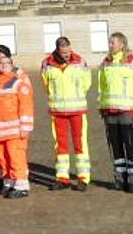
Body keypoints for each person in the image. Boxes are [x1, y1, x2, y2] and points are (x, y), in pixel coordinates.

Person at [41, 36, 92, 191]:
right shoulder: (47, 64)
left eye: (69, 51)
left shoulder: (80, 62)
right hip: (57, 111)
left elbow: (86, 83)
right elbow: (46, 85)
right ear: (57, 50)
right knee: (60, 145)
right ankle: (62, 177)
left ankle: (83, 178)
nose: (67, 55)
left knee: (80, 144)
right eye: (64, 53)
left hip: (77, 110)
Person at [98, 32, 133, 193]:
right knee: (116, 147)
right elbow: (101, 87)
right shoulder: (105, 63)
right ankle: (120, 177)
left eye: (113, 43)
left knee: (131, 146)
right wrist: (101, 106)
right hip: (109, 111)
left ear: (122, 45)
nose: (110, 45)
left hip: (128, 110)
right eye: (110, 42)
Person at [0, 45, 34, 199]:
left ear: (11, 65)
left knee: (16, 157)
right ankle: (8, 182)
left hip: (14, 129)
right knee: (2, 158)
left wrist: (25, 127)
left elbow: (26, 106)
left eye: (6, 63)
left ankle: (21, 184)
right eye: (0, 63)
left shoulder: (18, 82)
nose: (3, 66)